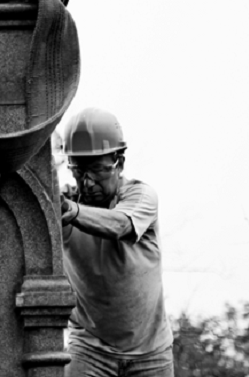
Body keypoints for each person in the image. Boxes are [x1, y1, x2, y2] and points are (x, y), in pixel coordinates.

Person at [59, 107, 174, 377]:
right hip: (90, 350)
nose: (87, 181)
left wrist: (72, 212)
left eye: (97, 169)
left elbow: (119, 225)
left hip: (151, 354)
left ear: (119, 163)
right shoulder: (62, 205)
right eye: (78, 169)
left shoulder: (140, 196)